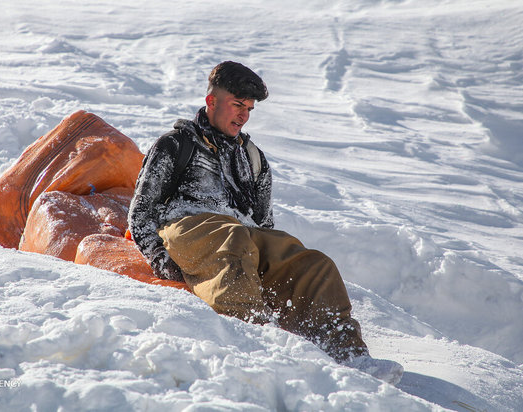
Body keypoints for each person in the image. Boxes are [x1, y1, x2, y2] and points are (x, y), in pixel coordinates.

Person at [128, 61, 403, 384]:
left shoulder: (253, 158)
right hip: (188, 227)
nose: (243, 115)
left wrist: (274, 266)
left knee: (316, 264)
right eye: (237, 105)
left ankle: (347, 353)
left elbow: (263, 226)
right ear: (211, 102)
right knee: (233, 238)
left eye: (249, 108)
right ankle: (256, 341)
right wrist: (163, 263)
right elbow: (140, 213)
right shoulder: (176, 146)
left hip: (241, 237)